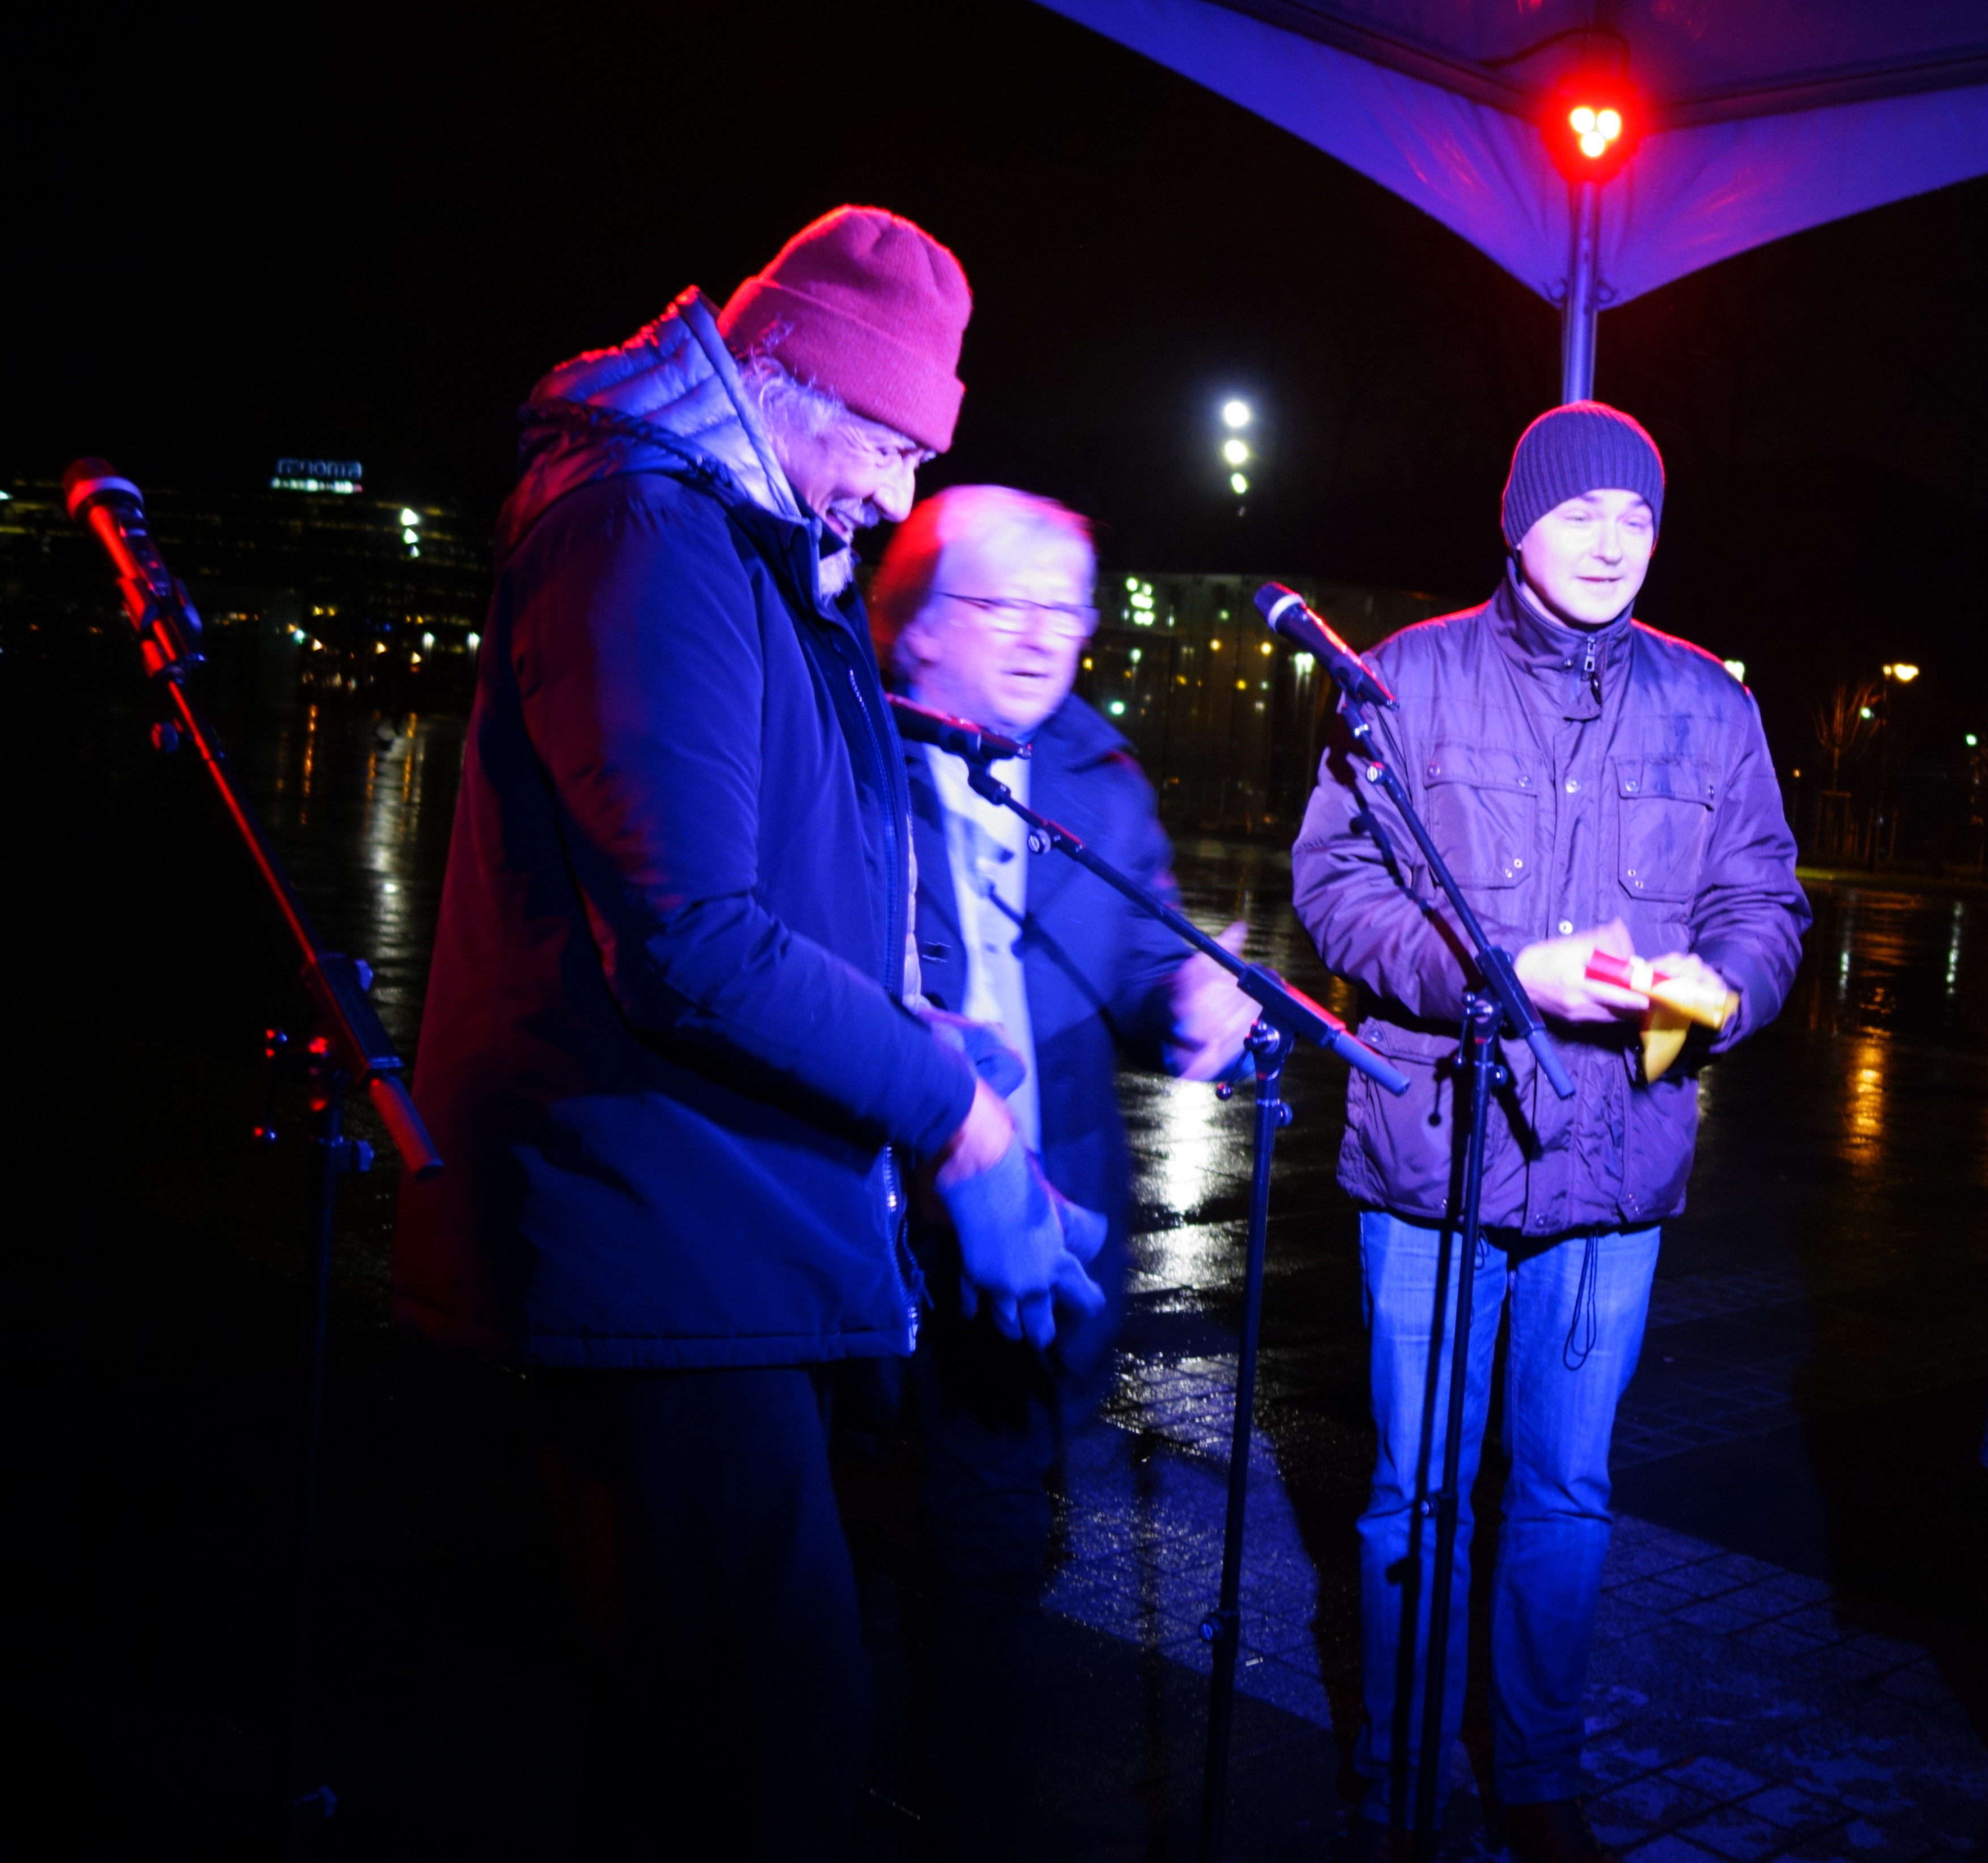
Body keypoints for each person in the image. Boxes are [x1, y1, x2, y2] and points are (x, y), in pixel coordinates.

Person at [402, 208, 1064, 1856]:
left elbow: (759, 881)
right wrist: (954, 1113)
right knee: (771, 1742)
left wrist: (900, 1010)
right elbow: (691, 935)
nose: (899, 496)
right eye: (888, 441)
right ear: (782, 374)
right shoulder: (644, 531)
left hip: (715, 1227)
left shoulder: (730, 534)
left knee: (703, 1741)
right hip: (656, 1228)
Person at [1291, 403, 1810, 1863]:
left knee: (1568, 1496)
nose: (1609, 542)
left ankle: (1536, 1773)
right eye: (1581, 513)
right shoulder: (1406, 682)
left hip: (1616, 1163)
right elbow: (1333, 889)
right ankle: (1393, 1769)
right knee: (1415, 1497)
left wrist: (1722, 994)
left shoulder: (1714, 704)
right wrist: (1492, 975)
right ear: (1517, 521)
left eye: (1636, 519)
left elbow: (1763, 902)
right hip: (1433, 1157)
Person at [866, 485, 1260, 1854]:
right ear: (912, 624)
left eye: (1066, 608)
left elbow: (1140, 955)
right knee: (872, 1563)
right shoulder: (845, 751)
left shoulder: (1095, 768)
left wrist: (1192, 1000)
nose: (1043, 639)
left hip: (1044, 1243)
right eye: (1001, 604)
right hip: (872, 1228)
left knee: (993, 1566)